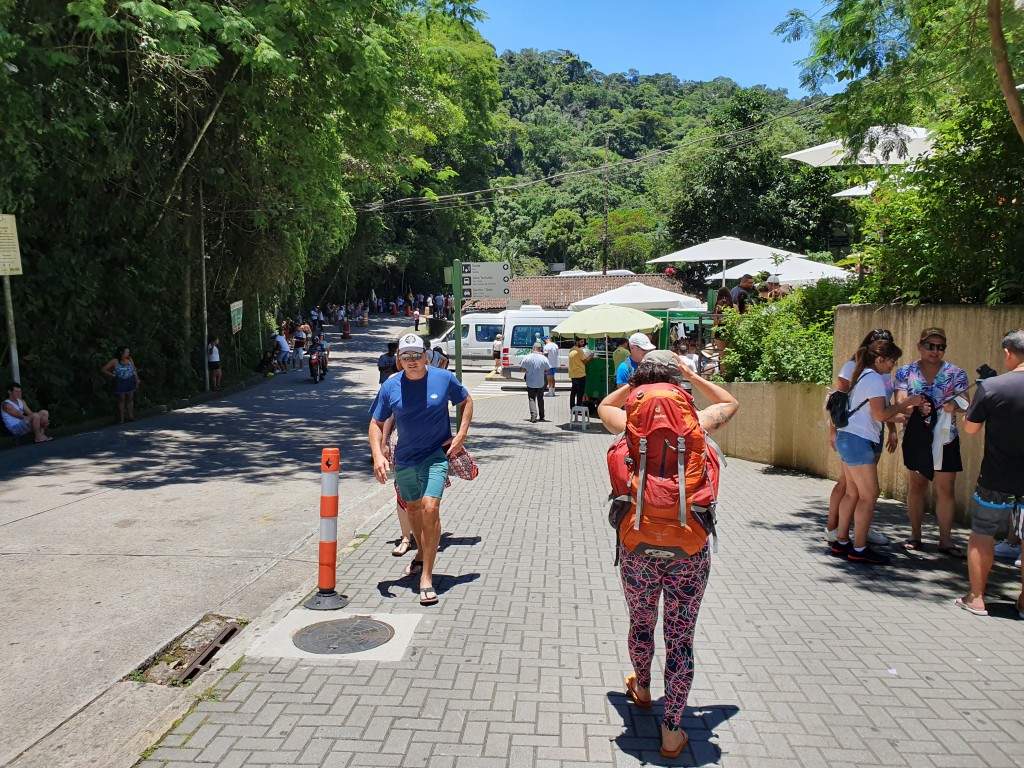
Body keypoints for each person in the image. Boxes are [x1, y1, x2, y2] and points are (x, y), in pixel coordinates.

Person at [597, 351, 738, 759]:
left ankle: (642, 689)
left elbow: (604, 405)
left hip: (638, 546)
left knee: (641, 623)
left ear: (640, 385)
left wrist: (634, 385)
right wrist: (693, 375)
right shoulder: (697, 425)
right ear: (678, 384)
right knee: (680, 638)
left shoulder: (628, 424)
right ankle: (672, 730)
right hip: (688, 550)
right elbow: (730, 402)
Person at [368, 333, 473, 607]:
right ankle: (421, 551)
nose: (412, 360)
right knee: (413, 508)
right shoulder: (391, 386)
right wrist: (378, 453)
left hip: (435, 455)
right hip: (405, 459)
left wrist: (461, 435)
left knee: (430, 507)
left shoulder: (443, 378)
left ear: (426, 356)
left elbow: (466, 401)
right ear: (399, 359)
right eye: (406, 356)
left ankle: (427, 576)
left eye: (417, 355)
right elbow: (376, 423)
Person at [831, 340, 924, 565]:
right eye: (892, 360)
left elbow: (873, 413)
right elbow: (880, 414)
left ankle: (841, 542)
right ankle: (859, 548)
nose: (894, 365)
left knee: (852, 493)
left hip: (847, 438)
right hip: (858, 441)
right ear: (880, 359)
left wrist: (905, 417)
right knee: (869, 495)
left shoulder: (863, 374)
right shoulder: (873, 378)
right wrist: (908, 402)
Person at [956, 329, 1024, 616]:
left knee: (983, 533)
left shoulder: (993, 387)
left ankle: (977, 598)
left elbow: (971, 429)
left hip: (996, 476)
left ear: (1008, 352)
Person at [894, 328, 970, 557]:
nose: (935, 351)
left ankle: (946, 541)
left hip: (946, 439)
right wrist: (916, 407)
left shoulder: (956, 373)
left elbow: (966, 402)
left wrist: (954, 406)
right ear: (920, 346)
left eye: (940, 347)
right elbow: (901, 402)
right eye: (930, 346)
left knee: (946, 489)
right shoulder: (905, 372)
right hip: (917, 437)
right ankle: (915, 536)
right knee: (917, 485)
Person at [826, 329, 897, 548]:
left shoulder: (877, 373)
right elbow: (837, 401)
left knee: (858, 491)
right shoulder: (860, 370)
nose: (893, 363)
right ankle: (842, 535)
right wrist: (832, 430)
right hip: (857, 434)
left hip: (869, 433)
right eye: (880, 344)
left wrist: (893, 427)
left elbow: (881, 405)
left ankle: (849, 536)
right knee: (860, 491)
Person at [101, 346, 140, 424]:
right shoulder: (115, 361)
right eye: (126, 352)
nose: (128, 353)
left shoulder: (129, 359)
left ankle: (131, 416)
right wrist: (112, 375)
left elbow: (134, 369)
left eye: (128, 352)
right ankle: (122, 418)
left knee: (130, 398)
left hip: (130, 380)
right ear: (121, 353)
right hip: (121, 381)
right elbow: (103, 369)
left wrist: (137, 380)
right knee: (122, 399)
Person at [520, 342, 550, 423]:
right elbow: (547, 371)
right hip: (540, 381)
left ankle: (533, 415)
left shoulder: (527, 357)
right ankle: (542, 416)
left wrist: (527, 370)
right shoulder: (544, 358)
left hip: (530, 381)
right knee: (540, 398)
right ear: (540, 349)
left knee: (531, 398)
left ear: (533, 348)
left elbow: (522, 369)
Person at [567, 337, 593, 412]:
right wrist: (591, 356)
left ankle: (572, 407)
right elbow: (585, 361)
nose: (583, 343)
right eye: (581, 342)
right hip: (580, 373)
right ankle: (578, 407)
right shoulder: (579, 350)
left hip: (573, 373)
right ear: (577, 342)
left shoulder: (571, 350)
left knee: (573, 391)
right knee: (580, 392)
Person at [711, 287, 733, 359]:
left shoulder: (718, 307)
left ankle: (723, 367)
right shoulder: (734, 306)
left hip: (720, 330)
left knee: (722, 356)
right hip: (731, 330)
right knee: (731, 356)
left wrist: (712, 336)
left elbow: (716, 322)